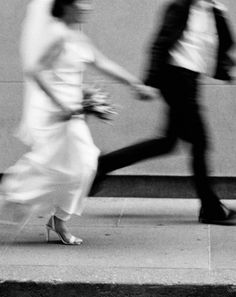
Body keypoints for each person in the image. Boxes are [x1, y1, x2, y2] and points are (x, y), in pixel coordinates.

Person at [0, 0, 156, 244]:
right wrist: (61, 104)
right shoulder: (57, 35)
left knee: (78, 165)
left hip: (72, 115)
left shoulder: (76, 36)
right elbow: (35, 71)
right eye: (81, 3)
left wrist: (134, 84)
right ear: (67, 7)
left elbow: (103, 63)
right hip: (58, 114)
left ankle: (39, 208)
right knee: (70, 163)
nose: (88, 6)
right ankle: (18, 196)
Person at [91, 0, 236, 225]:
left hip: (191, 79)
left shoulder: (213, 11)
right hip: (175, 79)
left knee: (168, 142)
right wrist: (150, 82)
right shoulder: (180, 7)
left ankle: (104, 165)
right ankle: (210, 207)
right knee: (200, 142)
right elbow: (160, 43)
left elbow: (225, 42)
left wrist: (220, 14)